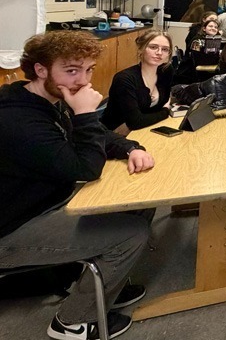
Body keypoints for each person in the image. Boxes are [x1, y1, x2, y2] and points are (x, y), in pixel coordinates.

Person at [0, 30, 154, 340]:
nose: (82, 81)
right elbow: (84, 167)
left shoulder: (48, 98)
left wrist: (130, 148)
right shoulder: (17, 120)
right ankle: (71, 323)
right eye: (71, 70)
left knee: (139, 203)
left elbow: (94, 135)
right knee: (132, 235)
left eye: (88, 70)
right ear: (41, 69)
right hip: (12, 229)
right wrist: (85, 113)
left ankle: (100, 289)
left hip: (47, 205)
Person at [102, 29, 175, 134]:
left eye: (165, 49)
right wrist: (165, 111)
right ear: (141, 49)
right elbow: (135, 122)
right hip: (116, 135)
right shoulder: (124, 79)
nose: (159, 53)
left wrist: (158, 112)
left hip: (145, 129)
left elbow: (159, 105)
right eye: (153, 47)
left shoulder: (166, 71)